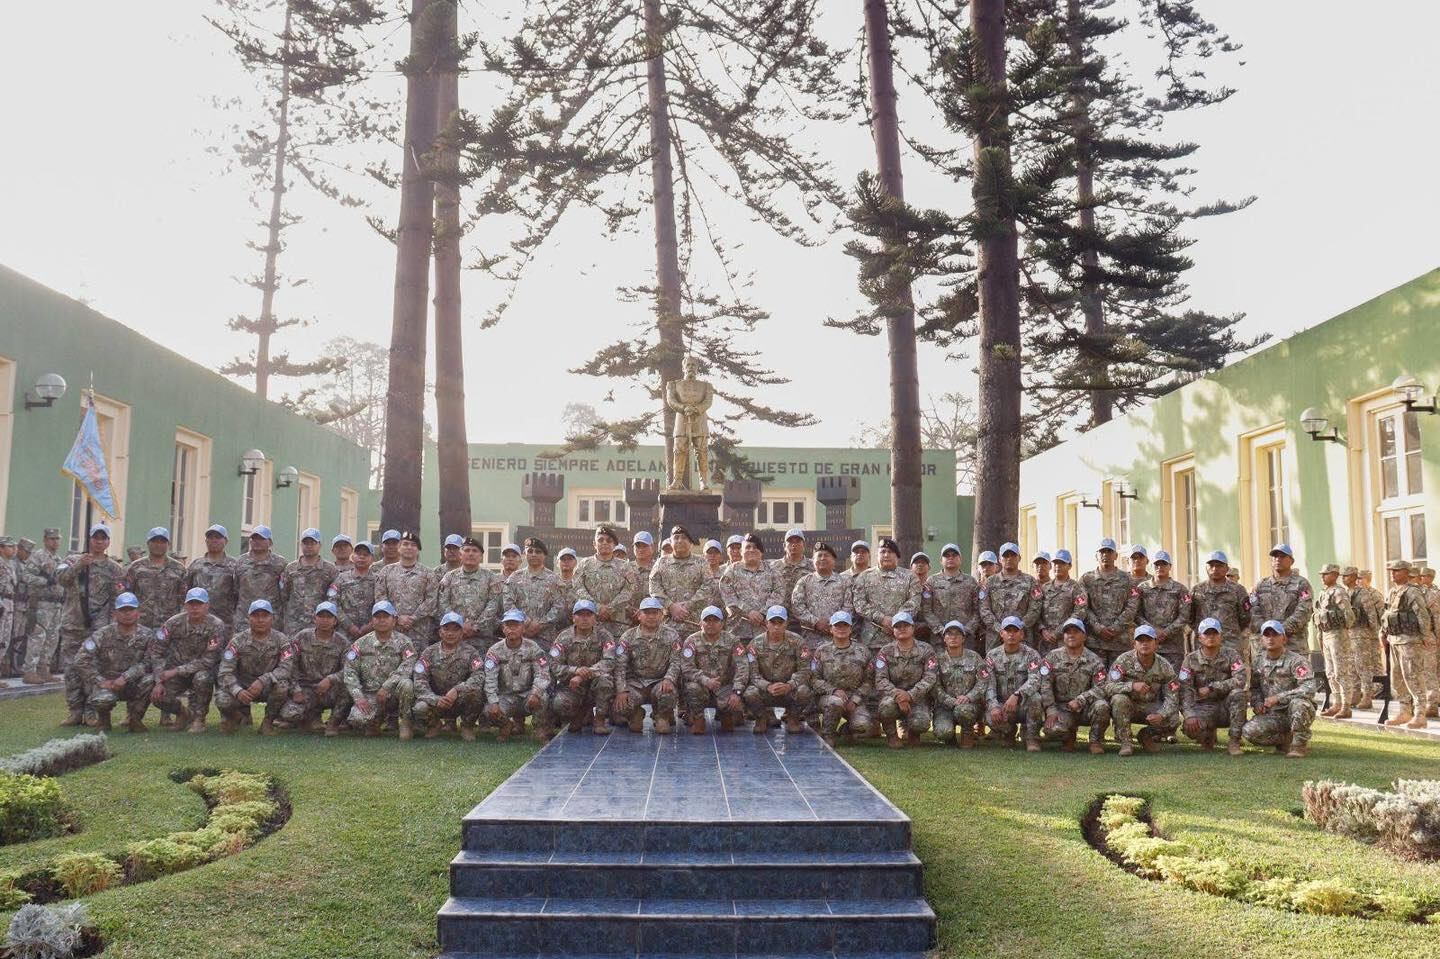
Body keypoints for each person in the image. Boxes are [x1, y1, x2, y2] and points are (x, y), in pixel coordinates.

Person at [57, 525, 125, 726]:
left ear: (108, 542)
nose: (99, 541)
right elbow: (61, 580)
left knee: (93, 670)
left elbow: (117, 599)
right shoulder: (71, 560)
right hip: (73, 624)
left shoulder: (114, 568)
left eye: (103, 538)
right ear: (90, 540)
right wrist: (79, 565)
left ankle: (91, 712)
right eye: (96, 538)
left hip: (98, 628)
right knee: (71, 670)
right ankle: (75, 711)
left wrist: (113, 626)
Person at [71, 591, 155, 732]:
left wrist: (126, 677)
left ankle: (135, 719)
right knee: (103, 698)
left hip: (133, 684)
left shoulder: (148, 635)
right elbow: (80, 659)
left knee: (150, 680)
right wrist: (100, 680)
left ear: (138, 613)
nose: (127, 614)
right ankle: (104, 720)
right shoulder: (101, 634)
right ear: (114, 614)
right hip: (107, 684)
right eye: (122, 610)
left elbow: (150, 662)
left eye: (131, 610)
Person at [150, 587, 227, 733]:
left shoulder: (216, 625)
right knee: (157, 696)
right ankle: (183, 714)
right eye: (191, 604)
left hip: (200, 671)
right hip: (176, 674)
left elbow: (209, 660)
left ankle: (199, 719)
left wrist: (176, 671)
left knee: (202, 678)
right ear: (185, 605)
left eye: (199, 604)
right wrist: (158, 681)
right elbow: (156, 652)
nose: (195, 607)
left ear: (207, 605)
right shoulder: (173, 623)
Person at [216, 599, 293, 735]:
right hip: (243, 687)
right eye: (256, 616)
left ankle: (267, 723)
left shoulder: (281, 640)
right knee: (222, 699)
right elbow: (225, 671)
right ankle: (235, 716)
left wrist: (263, 680)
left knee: (282, 686)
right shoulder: (237, 641)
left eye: (265, 616)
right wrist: (237, 690)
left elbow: (286, 668)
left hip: (268, 686)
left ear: (272, 619)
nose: (260, 620)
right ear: (248, 619)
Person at [342, 601, 418, 738]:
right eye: (377, 617)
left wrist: (387, 686)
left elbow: (409, 665)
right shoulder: (360, 643)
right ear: (372, 621)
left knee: (407, 684)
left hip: (395, 693)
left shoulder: (404, 642)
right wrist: (359, 698)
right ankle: (374, 723)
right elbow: (349, 672)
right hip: (370, 695)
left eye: (386, 616)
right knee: (357, 719)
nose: (381, 620)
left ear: (394, 620)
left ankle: (405, 723)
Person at [1102, 624, 1180, 757]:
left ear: (1156, 643)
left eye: (1148, 640)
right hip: (1128, 706)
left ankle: (1145, 735)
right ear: (1134, 644)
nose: (1144, 644)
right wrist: (1131, 686)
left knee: (1173, 718)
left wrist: (1161, 714)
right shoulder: (1123, 660)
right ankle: (1125, 741)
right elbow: (1108, 687)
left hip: (1150, 707)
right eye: (1140, 640)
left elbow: (1173, 696)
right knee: (1118, 699)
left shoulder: (1165, 666)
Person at [1242, 620, 1317, 757]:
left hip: (1294, 711)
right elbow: (1255, 688)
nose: (1271, 638)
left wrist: (1279, 698)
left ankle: (1299, 745)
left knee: (1299, 703)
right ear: (1261, 640)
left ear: (1284, 639)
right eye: (1267, 635)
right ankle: (1285, 740)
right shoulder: (1258, 661)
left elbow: (1309, 687)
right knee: (1249, 731)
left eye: (1275, 635)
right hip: (1273, 714)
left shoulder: (1296, 661)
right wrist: (1258, 703)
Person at [274, 601, 350, 735]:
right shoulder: (301, 637)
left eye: (329, 617)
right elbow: (290, 664)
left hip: (331, 689)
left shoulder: (343, 643)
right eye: (321, 616)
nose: (324, 620)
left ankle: (334, 722)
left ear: (335, 621)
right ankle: (309, 718)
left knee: (349, 688)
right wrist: (296, 690)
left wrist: (331, 679)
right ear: (314, 618)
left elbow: (349, 670)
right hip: (306, 689)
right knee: (289, 714)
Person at [1178, 617, 1249, 755]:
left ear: (1220, 636)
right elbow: (1184, 689)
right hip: (1203, 707)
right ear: (1199, 638)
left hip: (1226, 707)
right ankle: (1207, 734)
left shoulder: (1231, 654)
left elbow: (1240, 679)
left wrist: (1212, 687)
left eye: (1214, 633)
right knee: (1189, 728)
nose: (1211, 637)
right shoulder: (1190, 659)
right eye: (1207, 633)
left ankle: (1234, 741)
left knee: (1239, 694)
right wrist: (1189, 715)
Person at [1039, 617, 1109, 754]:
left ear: (1084, 636)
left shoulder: (1094, 660)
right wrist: (1051, 709)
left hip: (1086, 707)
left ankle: (1095, 741)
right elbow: (1044, 684)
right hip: (1062, 707)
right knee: (1051, 730)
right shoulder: (1052, 657)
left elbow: (1102, 687)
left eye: (1076, 632)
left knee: (1102, 706)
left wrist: (1081, 700)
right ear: (1063, 636)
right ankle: (1068, 736)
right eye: (1067, 632)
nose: (1071, 635)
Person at [411, 611, 485, 740]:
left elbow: (479, 676)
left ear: (462, 633)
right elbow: (419, 680)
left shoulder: (471, 652)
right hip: (436, 702)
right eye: (446, 629)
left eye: (455, 630)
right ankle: (434, 724)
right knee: (420, 708)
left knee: (476, 694)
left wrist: (458, 689)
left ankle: (467, 726)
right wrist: (436, 699)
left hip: (459, 700)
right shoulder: (429, 653)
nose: (450, 633)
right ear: (440, 632)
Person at [548, 599, 617, 736]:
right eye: (580, 615)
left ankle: (600, 720)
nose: (584, 618)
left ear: (595, 618)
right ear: (573, 618)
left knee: (605, 682)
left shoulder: (604, 635)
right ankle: (579, 713)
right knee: (560, 703)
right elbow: (554, 665)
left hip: (596, 683)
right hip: (572, 686)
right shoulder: (563, 638)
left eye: (588, 615)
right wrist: (574, 671)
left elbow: (609, 661)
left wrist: (586, 673)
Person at [614, 597, 681, 733]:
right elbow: (620, 666)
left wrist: (669, 678)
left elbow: (676, 661)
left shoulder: (672, 635)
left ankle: (661, 716)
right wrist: (621, 690)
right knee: (624, 707)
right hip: (636, 683)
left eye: (655, 613)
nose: (651, 616)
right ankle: (635, 714)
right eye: (647, 612)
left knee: (668, 694)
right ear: (639, 615)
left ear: (661, 615)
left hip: (659, 682)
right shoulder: (628, 637)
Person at [1378, 560, 1432, 729]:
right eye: (1392, 571)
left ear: (1407, 573)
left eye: (1397, 571)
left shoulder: (1412, 591)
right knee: (1397, 678)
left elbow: (1422, 615)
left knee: (1413, 677)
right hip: (1394, 640)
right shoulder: (1393, 591)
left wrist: (1425, 636)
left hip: (1410, 641)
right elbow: (1387, 614)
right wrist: (1383, 633)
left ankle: (1420, 714)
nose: (1393, 573)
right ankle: (1404, 711)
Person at [744, 605, 812, 735]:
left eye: (780, 622)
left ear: (786, 623)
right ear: (766, 623)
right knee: (749, 693)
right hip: (765, 691)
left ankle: (793, 717)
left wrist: (789, 685)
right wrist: (767, 686)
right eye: (772, 622)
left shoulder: (798, 642)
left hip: (789, 690)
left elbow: (805, 670)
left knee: (805, 691)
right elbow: (752, 673)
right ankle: (761, 718)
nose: (776, 626)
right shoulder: (755, 644)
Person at [679, 605, 747, 734]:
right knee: (692, 688)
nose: (711, 624)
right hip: (701, 685)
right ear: (700, 623)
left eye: (715, 620)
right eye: (707, 620)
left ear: (722, 624)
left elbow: (742, 667)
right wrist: (705, 680)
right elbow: (686, 668)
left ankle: (725, 714)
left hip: (724, 685)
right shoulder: (691, 641)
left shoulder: (732, 641)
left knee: (730, 726)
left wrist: (737, 692)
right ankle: (698, 718)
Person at [809, 610, 873, 745]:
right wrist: (833, 691)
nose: (841, 629)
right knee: (835, 702)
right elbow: (814, 679)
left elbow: (869, 680)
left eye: (845, 625)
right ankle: (828, 734)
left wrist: (855, 700)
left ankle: (846, 730)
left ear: (851, 629)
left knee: (863, 725)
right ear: (831, 629)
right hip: (828, 697)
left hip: (855, 699)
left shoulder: (863, 651)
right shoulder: (821, 651)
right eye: (837, 626)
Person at [874, 610, 936, 748]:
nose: (902, 629)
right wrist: (898, 695)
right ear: (893, 630)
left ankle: (914, 733)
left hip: (917, 697)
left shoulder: (926, 649)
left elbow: (930, 677)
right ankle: (892, 735)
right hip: (893, 696)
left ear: (913, 628)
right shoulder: (885, 651)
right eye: (898, 626)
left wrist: (909, 695)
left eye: (905, 625)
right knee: (885, 707)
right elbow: (880, 679)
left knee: (921, 723)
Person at [982, 616, 1043, 751]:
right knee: (990, 718)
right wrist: (993, 706)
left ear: (1021, 634)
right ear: (1001, 634)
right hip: (1002, 705)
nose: (1011, 634)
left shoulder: (1031, 654)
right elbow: (988, 684)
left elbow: (1035, 679)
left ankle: (1032, 737)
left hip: (1023, 704)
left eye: (1015, 631)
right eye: (1007, 630)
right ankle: (1008, 733)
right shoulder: (992, 656)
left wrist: (1017, 695)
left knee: (1036, 699)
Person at [852, 537, 922, 653]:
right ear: (877, 555)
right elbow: (859, 603)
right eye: (882, 552)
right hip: (871, 640)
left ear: (897, 555)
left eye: (890, 552)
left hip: (901, 638)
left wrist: (897, 621)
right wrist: (882, 618)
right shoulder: (864, 577)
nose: (886, 555)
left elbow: (915, 601)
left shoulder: (910, 577)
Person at [1081, 538, 1138, 667]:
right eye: (1102, 552)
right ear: (1096, 555)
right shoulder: (1086, 579)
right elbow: (1083, 607)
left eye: (1109, 551)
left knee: (1118, 680)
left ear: (1116, 555)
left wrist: (1115, 628)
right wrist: (1098, 628)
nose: (1105, 555)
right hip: (1094, 642)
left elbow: (1132, 607)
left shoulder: (1128, 579)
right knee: (1097, 679)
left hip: (1120, 642)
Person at [574, 525, 640, 636]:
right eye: (600, 540)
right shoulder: (584, 564)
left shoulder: (625, 566)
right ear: (594, 544)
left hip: (618, 624)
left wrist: (610, 608)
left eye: (609, 540)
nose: (604, 543)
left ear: (614, 545)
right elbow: (578, 587)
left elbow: (629, 589)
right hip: (590, 622)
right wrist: (597, 607)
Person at [374, 531, 436, 648]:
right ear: (399, 547)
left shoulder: (428, 573)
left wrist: (413, 618)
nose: (409, 547)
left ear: (418, 550)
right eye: (405, 544)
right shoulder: (386, 572)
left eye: (413, 545)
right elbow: (380, 598)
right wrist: (397, 618)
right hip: (392, 629)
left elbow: (431, 600)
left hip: (419, 631)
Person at [719, 534, 785, 644]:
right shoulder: (731, 571)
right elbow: (728, 597)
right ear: (741, 551)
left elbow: (779, 592)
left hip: (765, 631)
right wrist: (748, 612)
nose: (751, 550)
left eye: (755, 547)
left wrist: (763, 613)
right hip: (738, 631)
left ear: (761, 552)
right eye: (748, 547)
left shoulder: (773, 571)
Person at [436, 537, 502, 646]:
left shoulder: (491, 578)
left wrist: (476, 627)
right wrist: (458, 625)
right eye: (467, 550)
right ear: (460, 555)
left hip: (483, 639)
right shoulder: (449, 577)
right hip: (454, 638)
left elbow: (493, 605)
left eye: (475, 551)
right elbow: (442, 604)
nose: (470, 554)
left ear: (481, 556)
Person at [930, 620, 986, 748]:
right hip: (944, 705)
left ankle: (967, 732)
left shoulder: (975, 657)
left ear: (963, 638)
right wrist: (950, 700)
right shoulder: (937, 660)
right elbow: (934, 686)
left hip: (968, 705)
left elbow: (983, 682)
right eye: (949, 634)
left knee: (963, 711)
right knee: (943, 732)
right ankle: (950, 735)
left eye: (957, 634)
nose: (953, 637)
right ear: (944, 638)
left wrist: (969, 697)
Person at [1251, 544, 1314, 657]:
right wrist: (1267, 632)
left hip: (1294, 646)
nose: (1278, 559)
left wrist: (1278, 632)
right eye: (1275, 557)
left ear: (1291, 561)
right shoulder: (1261, 585)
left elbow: (1303, 612)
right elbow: (1254, 610)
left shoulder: (1301, 584)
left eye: (1282, 556)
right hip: (1267, 647)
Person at [19, 528, 64, 684]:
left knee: (52, 639)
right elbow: (25, 576)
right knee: (38, 637)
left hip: (56, 604)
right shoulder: (38, 556)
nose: (55, 542)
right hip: (42, 603)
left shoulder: (58, 559)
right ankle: (29, 671)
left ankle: (44, 669)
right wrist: (45, 581)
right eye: (52, 539)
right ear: (45, 540)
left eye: (57, 539)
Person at [1313, 563, 1359, 718]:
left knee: (1341, 671)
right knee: (1330, 672)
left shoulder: (1339, 592)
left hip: (1338, 635)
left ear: (1334, 575)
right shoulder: (1324, 593)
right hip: (1326, 634)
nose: (1322, 577)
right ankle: (1336, 703)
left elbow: (1349, 615)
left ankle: (1346, 706)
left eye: (1325, 574)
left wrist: (1342, 630)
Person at [1189, 551, 1251, 661]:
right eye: (1211, 565)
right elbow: (1190, 617)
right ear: (1206, 568)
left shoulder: (1238, 590)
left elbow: (1245, 617)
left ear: (1227, 569)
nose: (1215, 569)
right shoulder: (1196, 590)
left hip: (1230, 643)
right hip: (1204, 644)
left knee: (1234, 675)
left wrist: (1229, 631)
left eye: (1219, 566)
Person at [977, 543, 1040, 651]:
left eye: (1013, 555)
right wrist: (1000, 629)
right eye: (1006, 556)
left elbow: (1035, 608)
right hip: (996, 638)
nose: (1009, 559)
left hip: (1022, 636)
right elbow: (984, 609)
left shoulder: (1030, 581)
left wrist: (1018, 628)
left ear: (1019, 558)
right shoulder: (990, 582)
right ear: (1000, 559)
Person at [648, 526, 711, 633]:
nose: (680, 541)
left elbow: (709, 586)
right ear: (671, 542)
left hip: (694, 624)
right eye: (676, 538)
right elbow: (654, 587)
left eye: (684, 538)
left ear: (691, 542)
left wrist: (688, 605)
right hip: (667, 625)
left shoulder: (701, 562)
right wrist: (671, 606)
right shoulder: (661, 562)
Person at [124, 527, 187, 631]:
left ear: (168, 544)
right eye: (154, 541)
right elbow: (127, 596)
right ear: (148, 543)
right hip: (140, 625)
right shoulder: (135, 567)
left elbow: (184, 600)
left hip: (169, 625)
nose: (158, 545)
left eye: (162, 542)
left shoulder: (179, 569)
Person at [1136, 550, 1192, 665]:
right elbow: (1136, 614)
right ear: (1152, 566)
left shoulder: (1181, 589)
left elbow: (1185, 616)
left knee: (1172, 681)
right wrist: (1152, 631)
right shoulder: (1142, 588)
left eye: (1164, 564)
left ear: (1170, 566)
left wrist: (1166, 632)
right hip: (1147, 645)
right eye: (1157, 564)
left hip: (1173, 647)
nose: (1160, 567)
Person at [279, 529, 339, 636]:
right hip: (293, 625)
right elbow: (284, 595)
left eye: (313, 543)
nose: (309, 546)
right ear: (301, 545)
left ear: (319, 545)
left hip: (319, 624)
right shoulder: (290, 568)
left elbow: (333, 597)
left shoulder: (330, 569)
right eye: (306, 543)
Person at [790, 543, 849, 650]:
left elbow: (849, 607)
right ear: (813, 560)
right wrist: (816, 622)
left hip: (837, 641)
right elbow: (797, 606)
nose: (822, 558)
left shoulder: (844, 582)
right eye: (819, 555)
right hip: (810, 640)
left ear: (834, 560)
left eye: (826, 555)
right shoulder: (804, 581)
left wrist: (833, 623)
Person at [924, 544, 980, 652]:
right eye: (947, 555)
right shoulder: (932, 581)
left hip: (965, 639)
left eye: (954, 555)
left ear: (960, 559)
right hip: (939, 639)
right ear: (941, 560)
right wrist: (941, 630)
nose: (950, 558)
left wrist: (966, 630)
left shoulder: (971, 582)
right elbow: (927, 610)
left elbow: (977, 610)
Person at [505, 537, 562, 643]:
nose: (534, 554)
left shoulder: (554, 579)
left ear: (544, 555)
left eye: (538, 552)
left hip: (545, 638)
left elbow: (559, 607)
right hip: (519, 636)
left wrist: (540, 624)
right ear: (524, 554)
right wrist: (525, 622)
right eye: (530, 551)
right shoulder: (514, 578)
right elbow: (508, 603)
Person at [233, 526, 287, 632]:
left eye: (262, 539)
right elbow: (235, 590)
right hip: (244, 620)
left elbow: (285, 592)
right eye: (254, 539)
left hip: (271, 620)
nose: (257, 542)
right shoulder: (240, 562)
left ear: (270, 542)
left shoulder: (280, 564)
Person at [185, 524, 238, 628]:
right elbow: (187, 591)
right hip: (198, 621)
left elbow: (239, 594)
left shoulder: (235, 566)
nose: (214, 540)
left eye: (218, 537)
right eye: (210, 537)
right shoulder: (196, 565)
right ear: (206, 541)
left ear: (226, 541)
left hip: (225, 622)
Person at [1036, 549, 1085, 655]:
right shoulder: (1044, 588)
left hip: (1066, 641)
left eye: (1062, 563)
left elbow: (1079, 613)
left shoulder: (1076, 588)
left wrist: (1058, 632)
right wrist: (1042, 630)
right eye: (1055, 563)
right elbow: (1036, 611)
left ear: (1070, 566)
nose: (1058, 566)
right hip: (1045, 642)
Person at [331, 541, 379, 640]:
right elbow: (333, 602)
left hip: (371, 634)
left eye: (366, 555)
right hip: (344, 633)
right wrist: (349, 626)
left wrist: (370, 626)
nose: (361, 557)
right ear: (353, 557)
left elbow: (382, 603)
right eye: (358, 554)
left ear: (372, 559)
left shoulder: (378, 580)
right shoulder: (341, 578)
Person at [1354, 568, 1384, 706]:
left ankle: (1379, 689)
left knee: (1375, 663)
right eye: (1357, 579)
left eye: (1361, 579)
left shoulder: (1375, 595)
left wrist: (1379, 632)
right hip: (1359, 635)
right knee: (1360, 663)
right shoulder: (1356, 593)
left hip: (1372, 634)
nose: (1358, 581)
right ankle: (1365, 691)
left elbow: (1380, 615)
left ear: (1368, 579)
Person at [771, 530, 815, 602]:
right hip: (779, 611)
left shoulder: (813, 566)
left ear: (804, 545)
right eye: (790, 542)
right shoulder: (773, 567)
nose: (794, 544)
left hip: (804, 610)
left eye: (797, 541)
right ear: (784, 546)